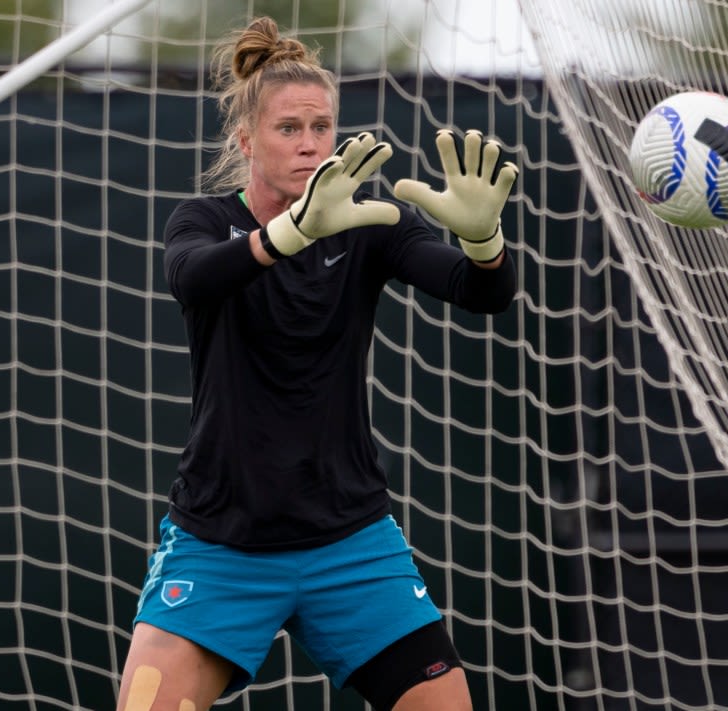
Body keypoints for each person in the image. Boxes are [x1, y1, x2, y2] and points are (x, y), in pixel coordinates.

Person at [116, 16, 518, 711]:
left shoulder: (370, 226)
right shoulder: (204, 221)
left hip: (350, 540)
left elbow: (482, 293)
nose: (309, 144)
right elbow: (194, 278)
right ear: (247, 142)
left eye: (321, 126)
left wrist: (484, 241)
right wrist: (291, 233)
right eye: (288, 128)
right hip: (220, 541)